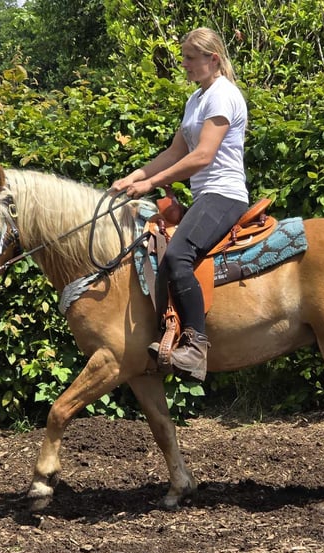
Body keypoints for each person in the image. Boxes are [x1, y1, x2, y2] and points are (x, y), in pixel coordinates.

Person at [111, 27, 249, 381]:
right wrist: (133, 176)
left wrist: (151, 183)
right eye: (184, 57)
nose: (184, 64)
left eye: (190, 58)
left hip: (225, 194)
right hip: (206, 195)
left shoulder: (222, 96)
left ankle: (195, 345)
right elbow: (176, 151)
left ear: (212, 59)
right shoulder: (196, 99)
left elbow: (202, 156)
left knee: (177, 256)